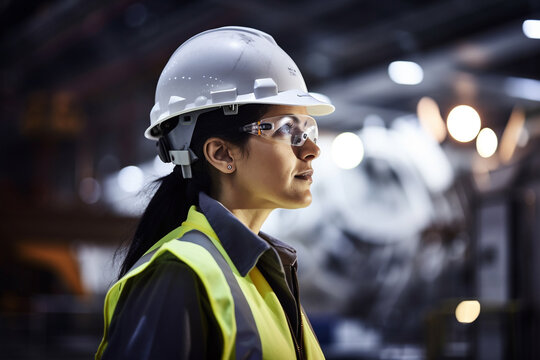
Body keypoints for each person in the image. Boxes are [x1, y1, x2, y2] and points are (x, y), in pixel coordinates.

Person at [95, 26, 334, 360]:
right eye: (285, 129)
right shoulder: (178, 276)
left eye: (309, 129)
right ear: (221, 154)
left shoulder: (265, 272)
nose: (311, 149)